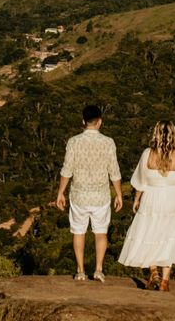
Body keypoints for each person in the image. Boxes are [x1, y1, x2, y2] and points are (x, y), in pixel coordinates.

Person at [117, 120, 175, 291]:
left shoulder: (148, 153)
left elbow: (141, 182)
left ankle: (153, 272)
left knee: (149, 235)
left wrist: (137, 199)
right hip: (173, 201)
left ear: (156, 134)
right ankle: (165, 281)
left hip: (152, 199)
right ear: (173, 134)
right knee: (169, 239)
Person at [52, 102, 123, 282]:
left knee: (78, 232)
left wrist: (60, 192)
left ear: (83, 121)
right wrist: (119, 194)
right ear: (100, 121)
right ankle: (99, 270)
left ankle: (81, 270)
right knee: (101, 233)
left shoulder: (74, 141)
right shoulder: (108, 142)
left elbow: (67, 170)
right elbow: (114, 171)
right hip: (101, 196)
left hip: (79, 195)